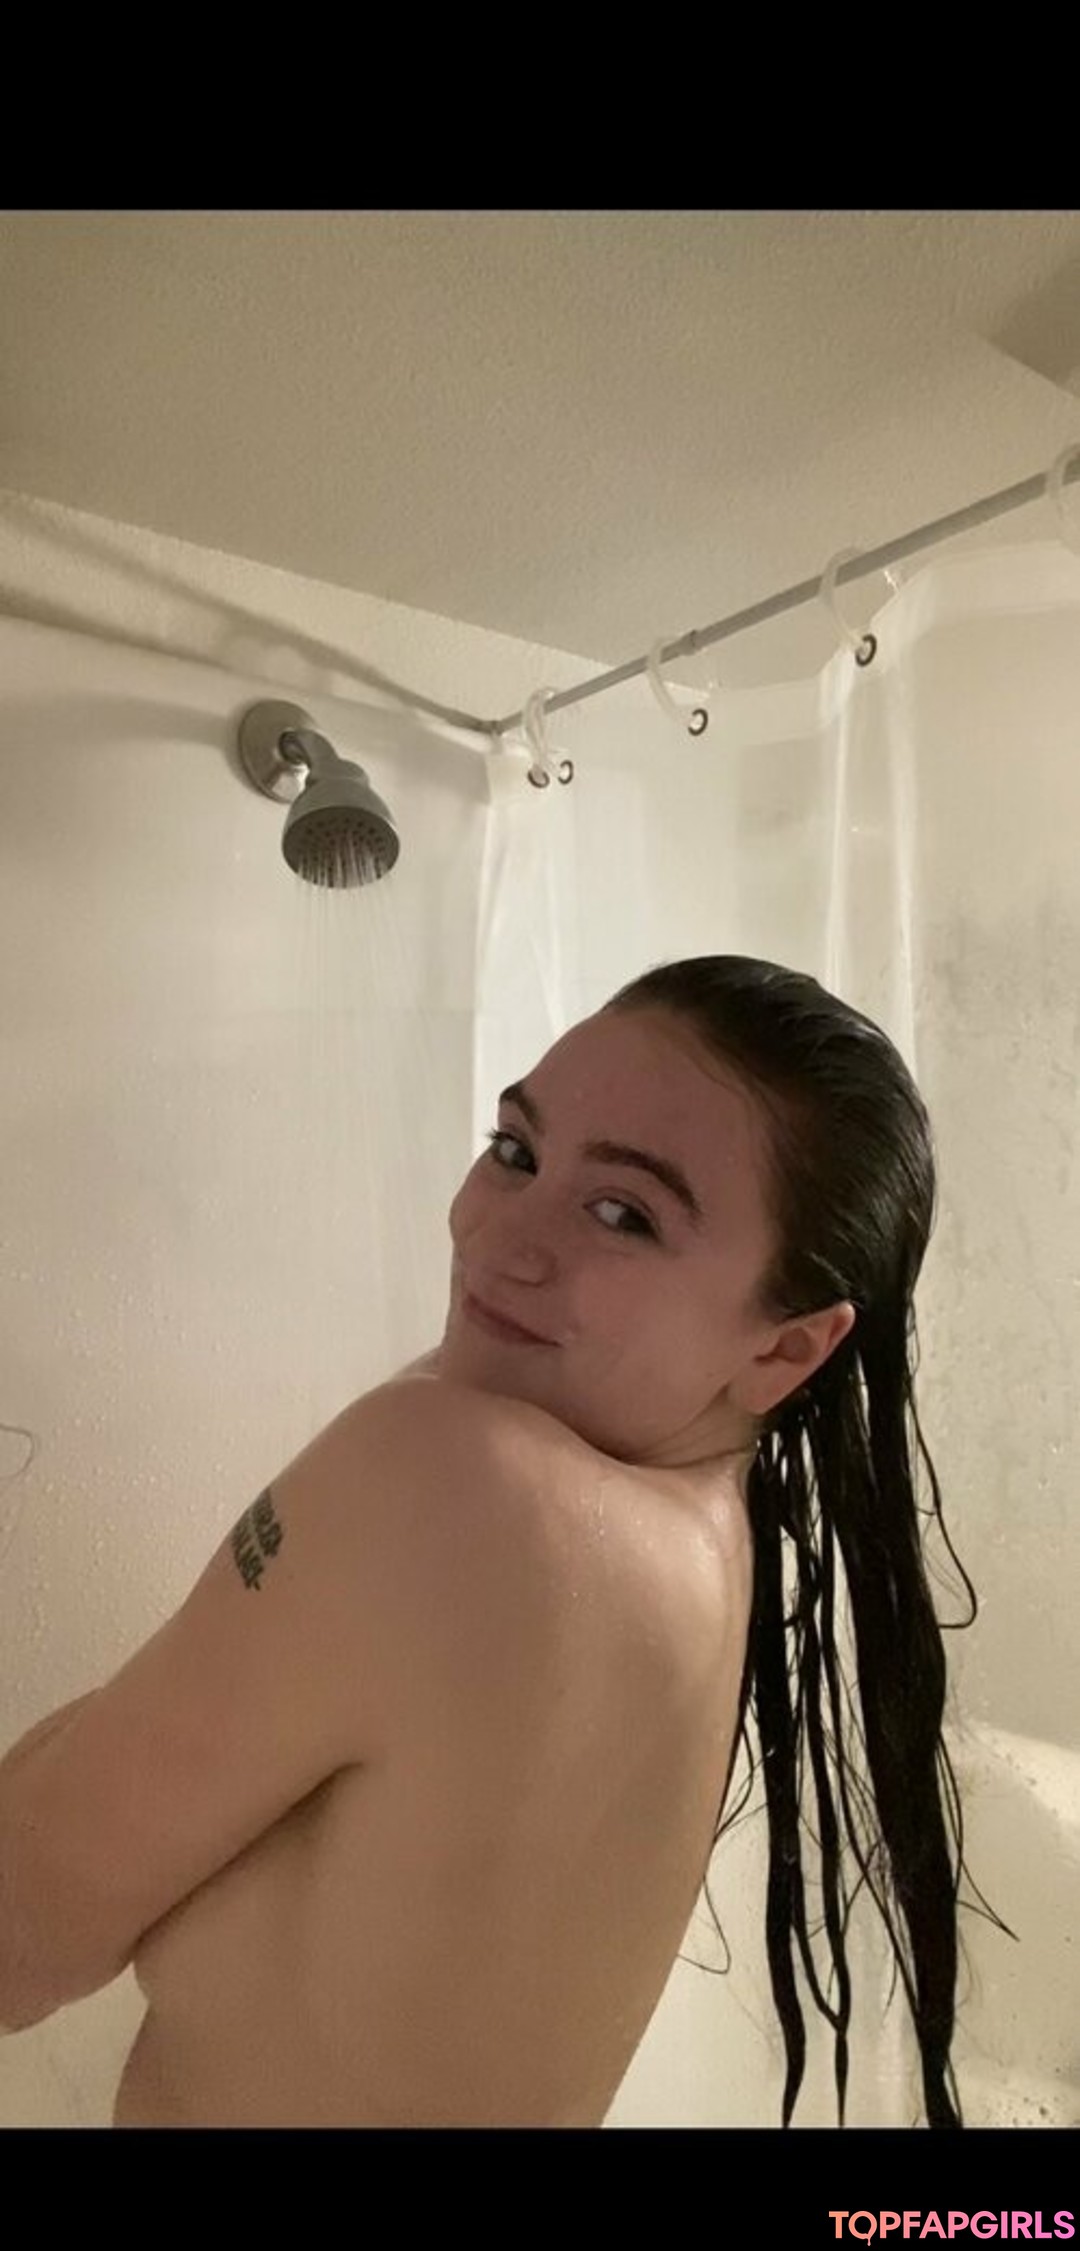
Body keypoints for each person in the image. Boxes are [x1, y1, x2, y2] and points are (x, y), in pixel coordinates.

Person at [0, 956, 983, 2127]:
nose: (496, 1234)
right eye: (516, 1149)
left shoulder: (457, 1486)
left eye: (624, 1214)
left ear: (786, 1349)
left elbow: (20, 1927)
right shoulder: (701, 1532)